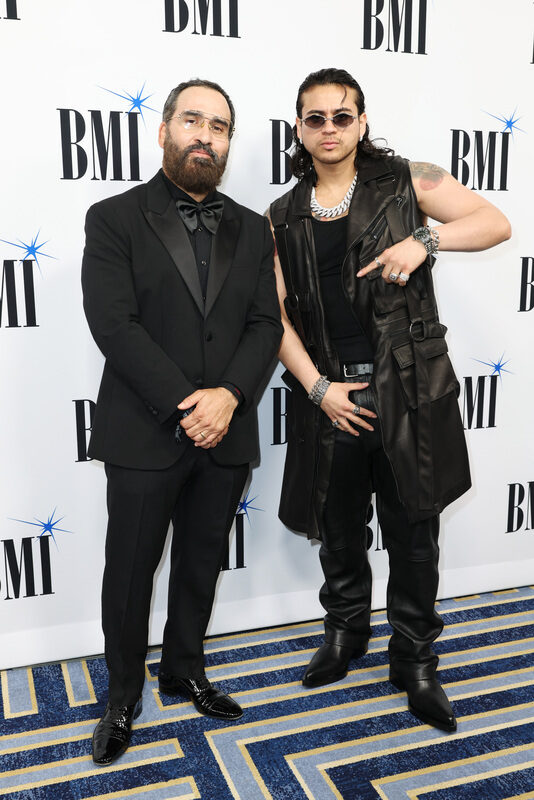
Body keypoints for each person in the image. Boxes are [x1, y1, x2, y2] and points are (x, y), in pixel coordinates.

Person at [269, 67, 510, 733]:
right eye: (314, 118)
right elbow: (275, 315)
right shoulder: (281, 214)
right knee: (338, 529)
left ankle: (415, 659)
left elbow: (494, 222)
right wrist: (317, 389)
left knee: (415, 535)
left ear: (362, 123)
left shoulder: (409, 181)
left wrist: (425, 238)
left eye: (341, 116)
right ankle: (345, 635)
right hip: (332, 396)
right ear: (299, 127)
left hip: (407, 387)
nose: (328, 129)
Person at [82, 78, 282, 765]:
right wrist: (187, 404)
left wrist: (227, 395)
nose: (205, 135)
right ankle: (120, 695)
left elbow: (265, 325)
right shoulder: (112, 217)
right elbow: (114, 324)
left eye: (219, 126)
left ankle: (185, 669)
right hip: (144, 431)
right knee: (131, 571)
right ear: (163, 130)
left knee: (201, 563)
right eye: (192, 120)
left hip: (227, 433)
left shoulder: (255, 228)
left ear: (229, 142)